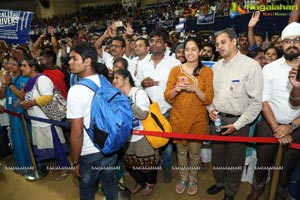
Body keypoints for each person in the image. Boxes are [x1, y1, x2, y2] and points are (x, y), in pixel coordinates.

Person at [206, 28, 263, 200]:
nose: (219, 47)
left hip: (238, 123)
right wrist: (210, 110)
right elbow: (210, 96)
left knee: (234, 162)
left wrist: (237, 125)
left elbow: (256, 103)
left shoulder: (251, 66)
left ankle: (230, 192)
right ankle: (220, 183)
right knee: (217, 158)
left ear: (234, 41)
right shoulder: (215, 67)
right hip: (216, 120)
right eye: (217, 44)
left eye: (223, 42)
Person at [247, 22, 300, 200]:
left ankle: (279, 194)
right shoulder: (270, 68)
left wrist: (291, 127)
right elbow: (264, 101)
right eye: (287, 41)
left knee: (287, 166)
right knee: (262, 162)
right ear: (281, 44)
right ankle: (258, 188)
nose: (292, 44)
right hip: (270, 123)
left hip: (297, 126)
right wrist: (277, 127)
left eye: (297, 40)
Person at [67, 42, 118, 200]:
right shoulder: (104, 80)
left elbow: (76, 132)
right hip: (110, 145)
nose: (69, 62)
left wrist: (75, 161)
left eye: (74, 58)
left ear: (87, 61)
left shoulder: (76, 90)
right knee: (109, 183)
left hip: (89, 152)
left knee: (87, 191)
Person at [164, 37, 213, 195]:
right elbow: (167, 96)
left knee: (194, 152)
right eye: (187, 50)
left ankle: (193, 178)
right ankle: (183, 177)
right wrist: (176, 89)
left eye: (193, 49)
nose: (190, 53)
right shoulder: (175, 71)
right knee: (181, 152)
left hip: (197, 119)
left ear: (199, 52)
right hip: (178, 117)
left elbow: (208, 99)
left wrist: (195, 89)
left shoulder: (206, 72)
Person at [135, 28, 181, 183]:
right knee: (149, 144)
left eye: (158, 41)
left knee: (166, 147)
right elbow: (136, 85)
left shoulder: (174, 63)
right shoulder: (142, 64)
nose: (154, 44)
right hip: (148, 111)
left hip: (166, 110)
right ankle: (152, 171)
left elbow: (178, 85)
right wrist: (141, 83)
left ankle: (167, 168)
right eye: (152, 41)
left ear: (165, 44)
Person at [20, 55, 69, 180]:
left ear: (33, 67)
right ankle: (59, 165)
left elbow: (48, 97)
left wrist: (29, 103)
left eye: (24, 65)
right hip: (38, 119)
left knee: (56, 144)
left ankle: (64, 167)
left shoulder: (42, 79)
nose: (22, 68)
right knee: (49, 144)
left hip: (47, 119)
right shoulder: (30, 83)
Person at [113, 69, 158, 196]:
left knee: (147, 164)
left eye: (117, 78)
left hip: (142, 136)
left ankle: (150, 183)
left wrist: (127, 102)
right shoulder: (116, 94)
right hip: (125, 137)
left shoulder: (138, 93)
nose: (114, 81)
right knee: (131, 165)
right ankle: (140, 181)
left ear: (126, 79)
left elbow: (143, 114)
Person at [0, 55, 33, 175]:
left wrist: (9, 84)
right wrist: (4, 84)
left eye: (14, 64)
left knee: (24, 141)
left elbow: (22, 96)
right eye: (9, 64)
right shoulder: (9, 78)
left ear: (20, 66)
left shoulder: (25, 79)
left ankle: (29, 165)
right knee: (15, 140)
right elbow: (2, 96)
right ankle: (20, 164)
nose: (10, 66)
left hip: (21, 116)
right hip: (11, 116)